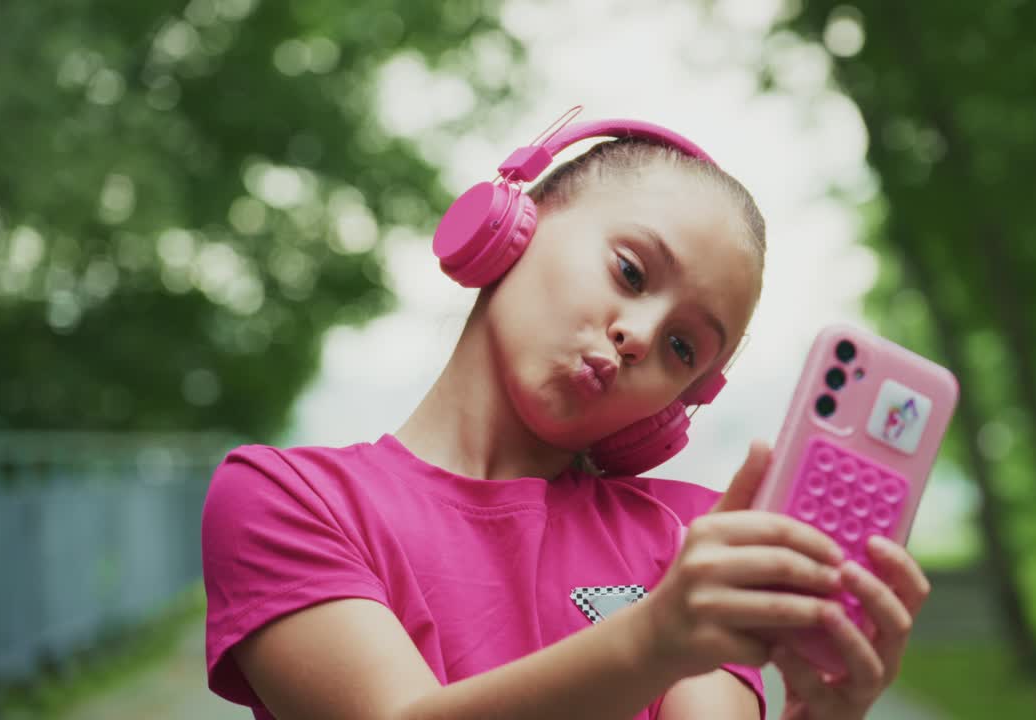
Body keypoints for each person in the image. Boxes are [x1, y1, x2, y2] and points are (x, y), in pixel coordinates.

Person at [200, 111, 932, 720]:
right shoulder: (288, 499)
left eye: (683, 348)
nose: (640, 335)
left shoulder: (690, 541)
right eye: (631, 272)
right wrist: (652, 642)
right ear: (514, 226)